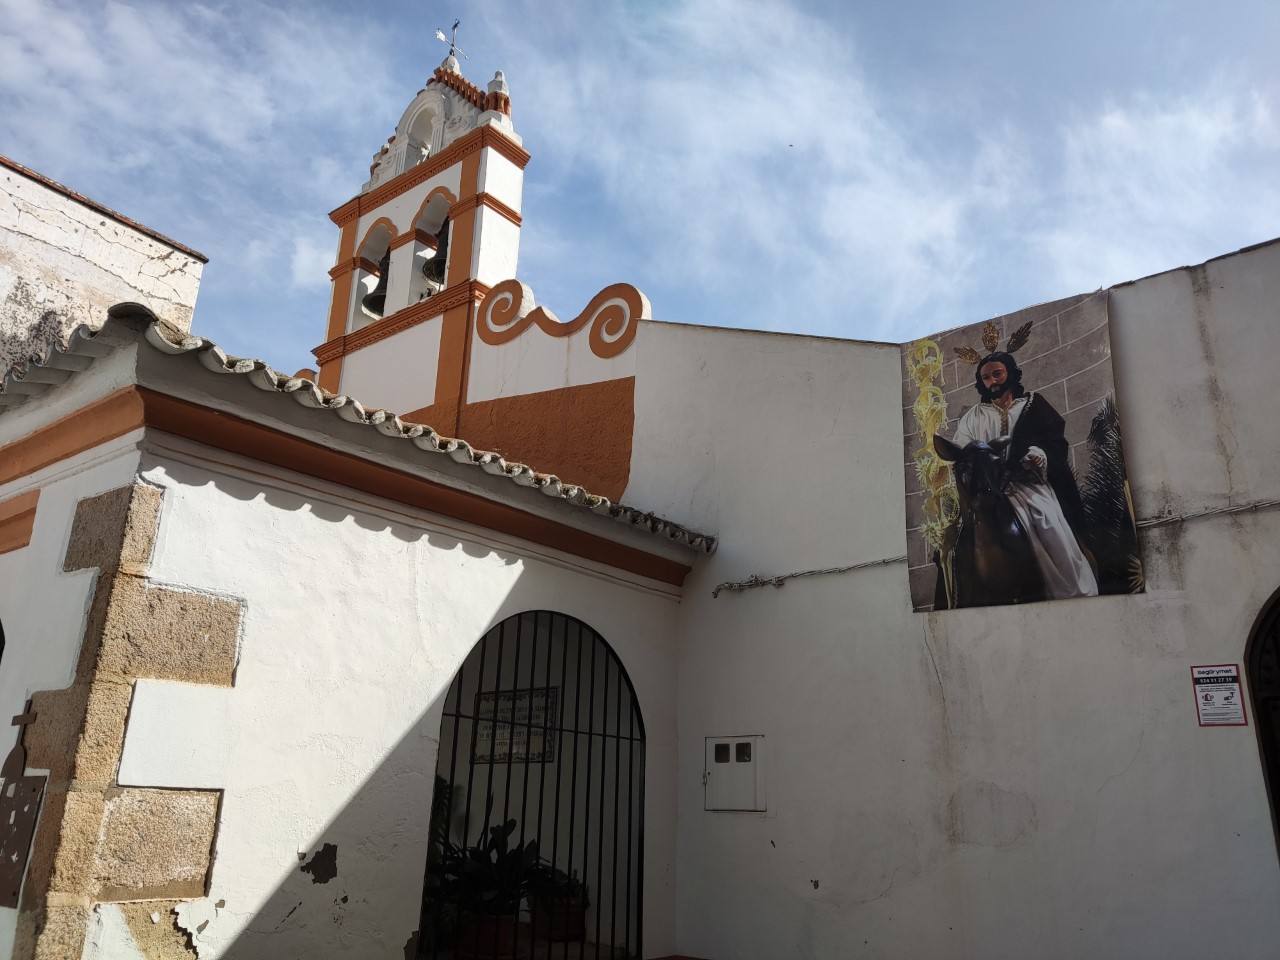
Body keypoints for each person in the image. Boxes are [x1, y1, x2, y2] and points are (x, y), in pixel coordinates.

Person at [948, 351, 1098, 600]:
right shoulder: (974, 416)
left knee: (1048, 526)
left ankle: (1072, 591)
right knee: (964, 543)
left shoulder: (1032, 404)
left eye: (997, 374)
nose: (992, 381)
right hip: (990, 489)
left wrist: (1039, 455)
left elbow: (1055, 442)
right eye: (986, 377)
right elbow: (963, 450)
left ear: (1010, 373)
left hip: (1028, 486)